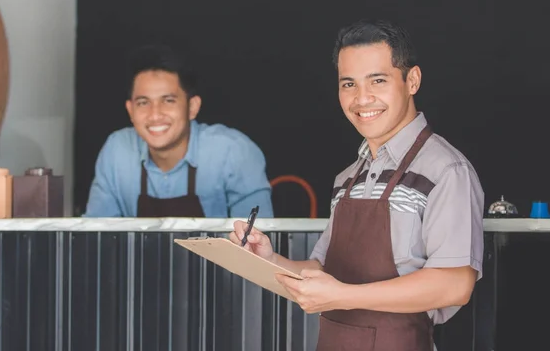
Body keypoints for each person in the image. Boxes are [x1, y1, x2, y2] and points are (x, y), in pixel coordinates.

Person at [229, 19, 484, 350]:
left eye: (377, 80)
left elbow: (454, 285)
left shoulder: (447, 170)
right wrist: (268, 260)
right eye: (348, 84)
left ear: (412, 80)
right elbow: (321, 270)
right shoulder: (348, 178)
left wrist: (344, 295)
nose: (362, 99)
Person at [83, 44, 274, 218]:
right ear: (130, 110)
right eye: (143, 103)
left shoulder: (233, 152)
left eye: (168, 100)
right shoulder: (116, 151)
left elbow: (256, 244)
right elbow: (96, 238)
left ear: (192, 107)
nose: (155, 114)